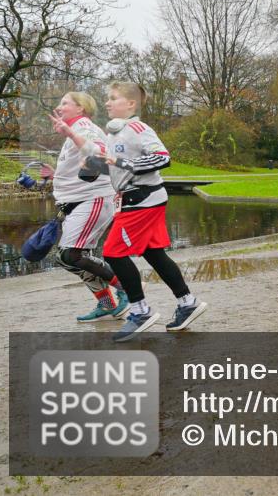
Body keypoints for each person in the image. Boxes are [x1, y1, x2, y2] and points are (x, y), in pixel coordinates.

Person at [78, 82, 207, 341]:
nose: (107, 103)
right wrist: (93, 166)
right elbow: (118, 170)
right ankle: (187, 302)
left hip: (143, 201)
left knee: (113, 252)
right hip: (134, 200)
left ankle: (140, 311)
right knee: (154, 254)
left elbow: (162, 157)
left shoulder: (138, 128)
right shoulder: (114, 134)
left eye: (113, 98)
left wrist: (122, 162)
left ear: (131, 104)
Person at [47, 92, 128, 322]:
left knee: (71, 254)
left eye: (65, 103)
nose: (59, 106)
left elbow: (100, 154)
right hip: (78, 201)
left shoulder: (84, 128)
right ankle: (107, 304)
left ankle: (128, 288)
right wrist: (56, 175)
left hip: (93, 199)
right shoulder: (77, 130)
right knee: (67, 257)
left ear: (80, 108)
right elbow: (84, 164)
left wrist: (70, 133)